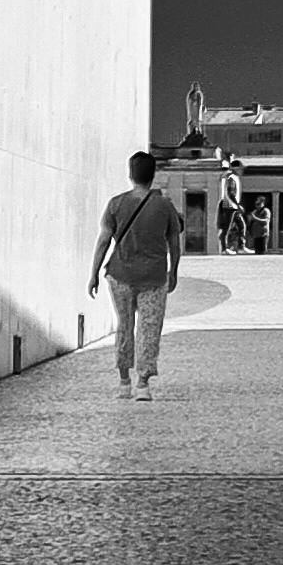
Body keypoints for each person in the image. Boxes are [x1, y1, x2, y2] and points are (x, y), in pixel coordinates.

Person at [89, 143, 183, 395]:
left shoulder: (116, 204)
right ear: (153, 176)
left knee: (125, 325)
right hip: (154, 276)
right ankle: (143, 382)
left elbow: (103, 241)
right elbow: (174, 242)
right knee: (149, 328)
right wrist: (173, 271)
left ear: (130, 174)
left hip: (120, 275)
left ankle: (123, 382)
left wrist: (94, 273)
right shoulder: (165, 206)